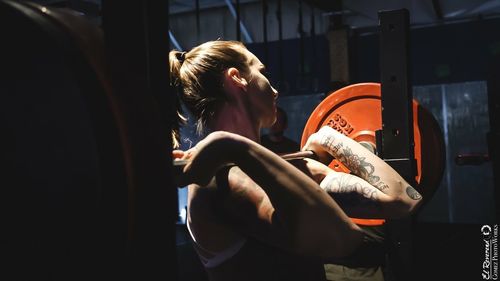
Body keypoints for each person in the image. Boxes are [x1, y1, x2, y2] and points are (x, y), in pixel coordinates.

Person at [170, 40, 423, 281]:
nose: (274, 89)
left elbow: (404, 200)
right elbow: (343, 239)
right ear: (236, 78)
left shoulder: (281, 168)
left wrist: (329, 138)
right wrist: (231, 146)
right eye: (262, 72)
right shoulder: (222, 180)